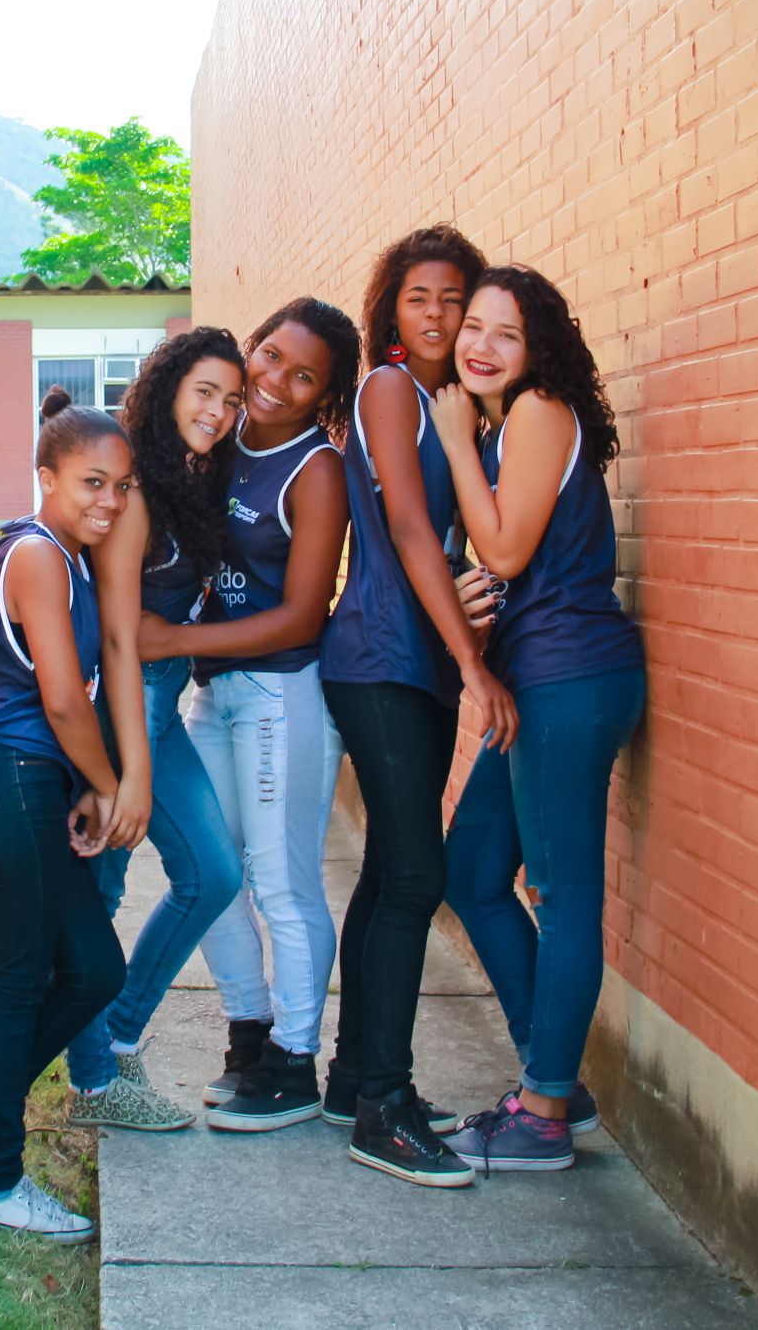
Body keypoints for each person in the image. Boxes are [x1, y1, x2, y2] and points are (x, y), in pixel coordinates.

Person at [435, 265, 645, 1173]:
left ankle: (544, 1112)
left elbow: (506, 547)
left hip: (572, 679)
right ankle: (547, 1078)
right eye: (472, 327)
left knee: (558, 896)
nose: (479, 346)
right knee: (472, 871)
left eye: (505, 333)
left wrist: (453, 441)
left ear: (537, 349)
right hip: (538, 682)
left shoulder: (534, 412)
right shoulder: (505, 426)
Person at [317, 226, 515, 1187]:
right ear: (390, 310)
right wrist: (472, 661)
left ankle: (351, 1078)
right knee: (413, 878)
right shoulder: (388, 389)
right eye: (418, 297)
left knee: (387, 874)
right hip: (380, 657)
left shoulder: (456, 408)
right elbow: (403, 523)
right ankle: (383, 1110)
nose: (436, 315)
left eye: (452, 298)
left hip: (418, 663)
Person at [137, 298, 359, 1132]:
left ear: (322, 395)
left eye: (303, 376)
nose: (274, 381)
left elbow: (302, 615)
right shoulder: (217, 443)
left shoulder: (316, 469)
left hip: (278, 693)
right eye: (269, 356)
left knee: (280, 881)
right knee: (211, 872)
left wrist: (176, 637)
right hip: (214, 692)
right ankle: (248, 1035)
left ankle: (295, 1062)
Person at [0, 387, 135, 1241]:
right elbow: (61, 699)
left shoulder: (56, 553)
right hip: (0, 775)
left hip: (23, 779)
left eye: (120, 486)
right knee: (16, 977)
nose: (108, 500)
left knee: (93, 969)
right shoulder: (39, 554)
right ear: (46, 476)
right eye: (91, 482)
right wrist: (109, 783)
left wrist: (79, 782)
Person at [63, 329, 247, 1133]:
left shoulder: (188, 479)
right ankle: (95, 1083)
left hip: (159, 703)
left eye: (231, 399)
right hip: (121, 705)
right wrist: (125, 775)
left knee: (212, 872)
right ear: (170, 386)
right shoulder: (134, 486)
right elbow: (117, 635)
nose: (218, 410)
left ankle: (117, 1033)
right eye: (204, 391)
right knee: (96, 893)